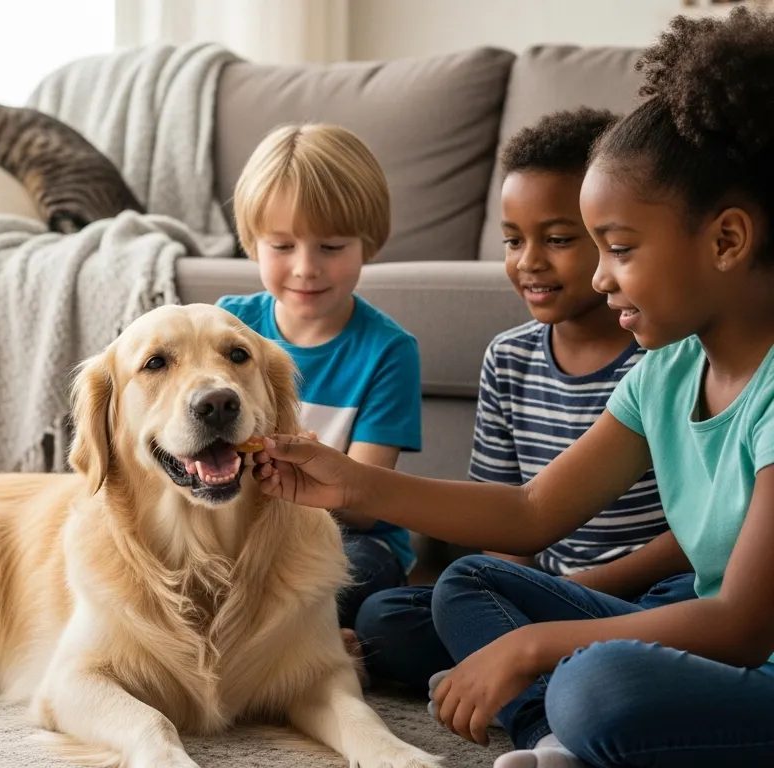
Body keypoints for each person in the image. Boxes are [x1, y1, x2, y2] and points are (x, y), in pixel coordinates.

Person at [251, 9, 774, 766]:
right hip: (718, 652)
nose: (600, 279)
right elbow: (531, 513)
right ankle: (555, 740)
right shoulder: (667, 369)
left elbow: (741, 624)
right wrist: (350, 485)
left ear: (726, 240)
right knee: (466, 581)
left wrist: (533, 646)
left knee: (598, 686)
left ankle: (572, 719)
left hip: (743, 648)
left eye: (619, 249)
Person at [352, 108, 695, 695]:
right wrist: (510, 598)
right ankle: (544, 671)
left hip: (649, 592)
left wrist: (583, 591)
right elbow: (507, 517)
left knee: (669, 617)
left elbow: (695, 536)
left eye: (558, 240)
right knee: (388, 620)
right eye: (512, 240)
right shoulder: (508, 357)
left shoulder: (667, 358)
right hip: (550, 593)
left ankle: (541, 681)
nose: (528, 261)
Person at [215, 123, 423, 633]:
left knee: (360, 574)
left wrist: (299, 467)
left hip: (349, 534)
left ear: (368, 243)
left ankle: (303, 639)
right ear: (251, 243)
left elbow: (366, 508)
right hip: (244, 520)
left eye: (331, 246)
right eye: (282, 246)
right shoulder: (227, 327)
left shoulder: (389, 351)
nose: (306, 268)